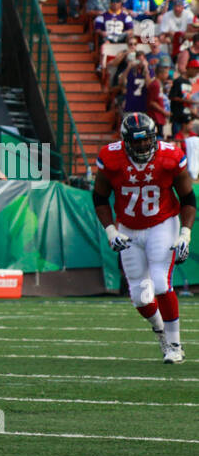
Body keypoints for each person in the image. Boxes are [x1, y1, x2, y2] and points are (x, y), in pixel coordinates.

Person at [93, 113, 193, 363]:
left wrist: (185, 234)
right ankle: (160, 331)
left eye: (146, 140)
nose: (141, 146)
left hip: (162, 223)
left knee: (160, 283)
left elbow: (188, 199)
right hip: (127, 227)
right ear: (126, 141)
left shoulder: (170, 156)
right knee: (139, 295)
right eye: (136, 142)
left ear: (154, 137)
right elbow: (100, 197)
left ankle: (175, 345)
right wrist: (111, 230)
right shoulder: (110, 157)